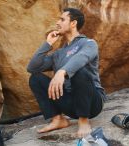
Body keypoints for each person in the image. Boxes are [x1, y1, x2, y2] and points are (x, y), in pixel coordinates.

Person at [27, 8, 106, 138]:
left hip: (92, 103)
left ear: (73, 23)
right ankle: (58, 119)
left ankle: (84, 121)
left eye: (62, 19)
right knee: (35, 78)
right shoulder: (58, 54)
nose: (58, 22)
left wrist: (62, 72)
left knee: (79, 72)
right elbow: (32, 67)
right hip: (70, 104)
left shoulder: (88, 43)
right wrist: (47, 44)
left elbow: (81, 58)